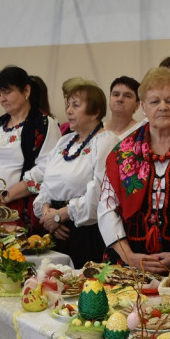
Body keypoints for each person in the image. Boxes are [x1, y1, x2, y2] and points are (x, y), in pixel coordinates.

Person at [98, 67, 170, 274]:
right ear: (144, 107)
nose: (163, 107)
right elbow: (107, 208)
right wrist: (128, 256)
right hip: (127, 261)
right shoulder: (122, 152)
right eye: (155, 101)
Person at [30, 81, 118, 267]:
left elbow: (100, 192)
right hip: (55, 228)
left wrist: (62, 215)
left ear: (95, 112)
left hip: (85, 231)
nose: (69, 110)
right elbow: (47, 184)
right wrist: (47, 214)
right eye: (68, 105)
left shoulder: (105, 141)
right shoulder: (65, 141)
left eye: (76, 105)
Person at [0, 66, 60, 226]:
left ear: (26, 91)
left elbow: (46, 170)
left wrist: (5, 196)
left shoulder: (45, 124)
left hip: (20, 208)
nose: (2, 99)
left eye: (7, 92)